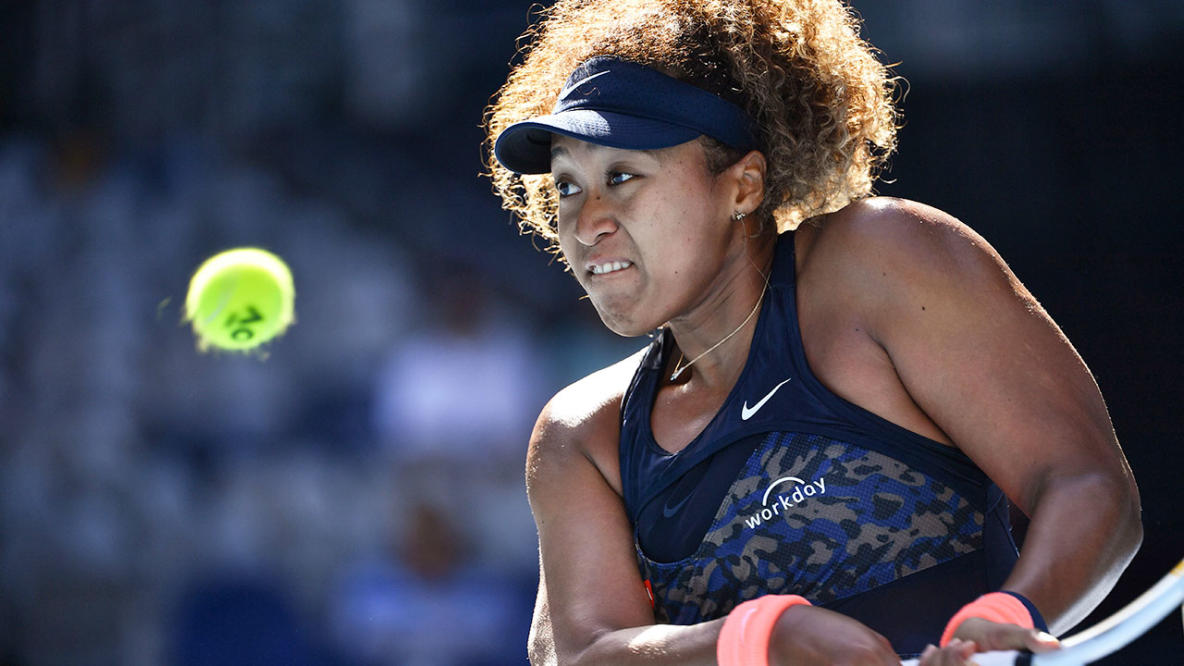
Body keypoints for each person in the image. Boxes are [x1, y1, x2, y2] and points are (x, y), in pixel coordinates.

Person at [483, 1, 1143, 664]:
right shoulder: (582, 434)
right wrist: (760, 637)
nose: (585, 219)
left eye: (621, 177)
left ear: (742, 187)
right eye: (568, 186)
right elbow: (585, 654)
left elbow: (1085, 482)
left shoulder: (882, 259)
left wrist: (1006, 617)